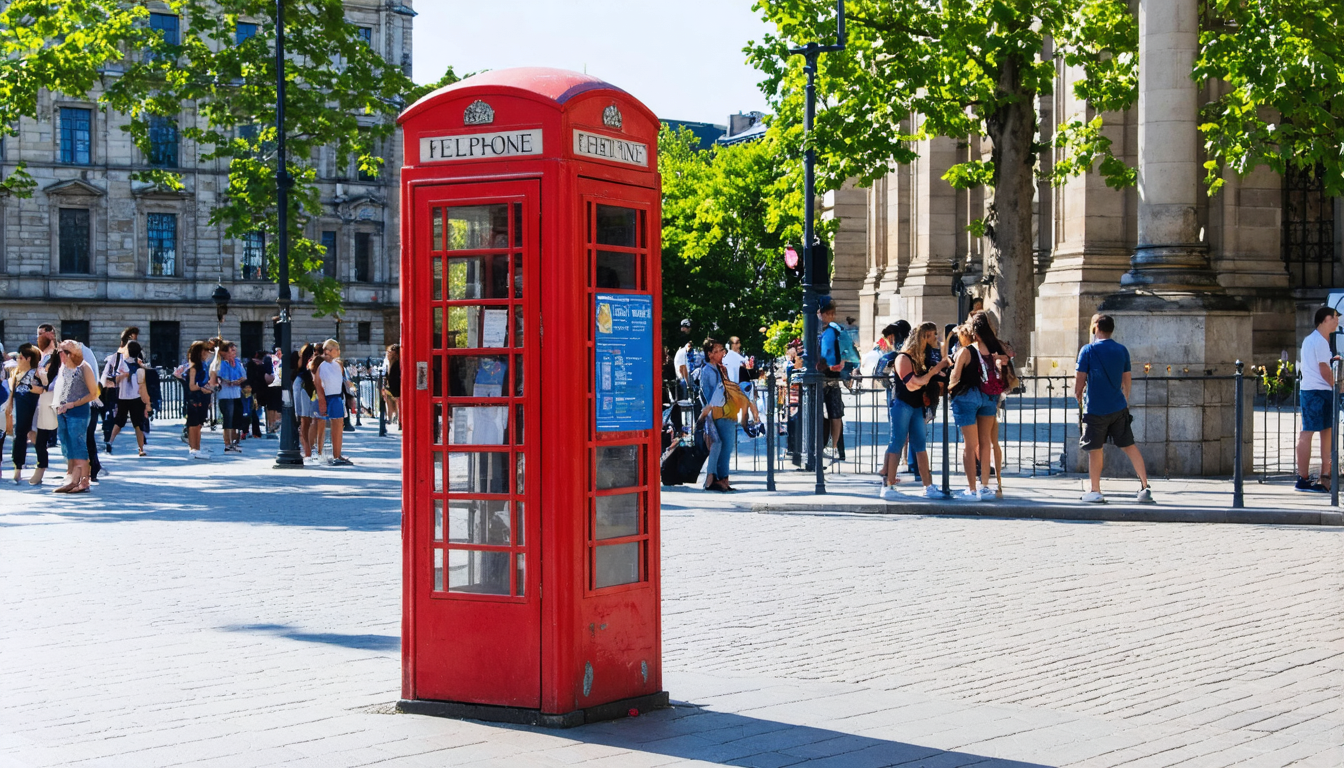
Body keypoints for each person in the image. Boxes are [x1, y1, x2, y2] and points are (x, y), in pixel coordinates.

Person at [1075, 313, 1153, 503]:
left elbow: (1079, 381)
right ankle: (1145, 486)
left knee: (1095, 449)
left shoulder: (1088, 350)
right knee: (1129, 446)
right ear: (1111, 330)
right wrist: (1124, 399)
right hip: (1118, 407)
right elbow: (1127, 379)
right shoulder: (1122, 350)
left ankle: (1095, 490)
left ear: (1097, 329)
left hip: (1095, 408)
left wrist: (1078, 396)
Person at [878, 322, 952, 500]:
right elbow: (912, 384)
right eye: (933, 334)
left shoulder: (924, 358)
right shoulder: (903, 358)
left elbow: (938, 377)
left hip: (917, 406)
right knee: (897, 442)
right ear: (923, 336)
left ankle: (928, 485)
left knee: (920, 445)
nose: (936, 338)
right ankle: (888, 486)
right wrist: (934, 371)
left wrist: (941, 370)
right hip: (902, 405)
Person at [1295, 306, 1340, 492]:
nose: (1337, 320)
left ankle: (1324, 475)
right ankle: (1304, 478)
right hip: (1318, 391)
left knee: (1323, 432)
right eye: (1335, 317)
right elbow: (1323, 371)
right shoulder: (1320, 341)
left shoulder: (1310, 339)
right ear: (1325, 319)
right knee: (1308, 433)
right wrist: (1338, 387)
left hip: (1312, 390)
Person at [948, 325, 995, 499]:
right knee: (985, 443)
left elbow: (955, 375)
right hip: (988, 397)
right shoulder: (988, 349)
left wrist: (949, 387)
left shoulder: (965, 352)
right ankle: (984, 486)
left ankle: (972, 488)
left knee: (969, 444)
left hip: (967, 396)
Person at [969, 312, 1013, 498]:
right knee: (992, 442)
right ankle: (997, 481)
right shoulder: (998, 345)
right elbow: (1010, 361)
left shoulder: (973, 348)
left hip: (980, 396)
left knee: (979, 442)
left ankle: (982, 479)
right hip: (995, 397)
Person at [51, 341, 100, 494]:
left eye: (61, 352)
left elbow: (94, 393)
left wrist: (73, 404)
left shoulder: (84, 367)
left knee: (78, 445)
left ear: (70, 353)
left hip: (78, 412)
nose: (59, 355)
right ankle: (73, 478)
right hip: (62, 411)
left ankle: (84, 480)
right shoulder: (64, 368)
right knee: (67, 445)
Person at [697, 338, 737, 492]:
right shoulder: (708, 370)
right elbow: (709, 395)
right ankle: (718, 479)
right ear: (710, 354)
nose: (722, 353)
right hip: (719, 412)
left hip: (724, 411)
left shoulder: (719, 368)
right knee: (723, 446)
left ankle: (721, 479)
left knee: (724, 446)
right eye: (719, 350)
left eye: (722, 350)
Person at [6, 344, 48, 485]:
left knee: (35, 437)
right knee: (19, 436)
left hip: (36, 409)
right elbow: (13, 392)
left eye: (21, 357)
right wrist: (9, 406)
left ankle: (41, 464)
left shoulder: (37, 372)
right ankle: (17, 470)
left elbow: (44, 389)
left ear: (28, 358)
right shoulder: (16, 372)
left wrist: (29, 387)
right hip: (21, 409)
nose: (18, 359)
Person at [108, 341, 152, 457]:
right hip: (136, 398)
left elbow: (114, 381)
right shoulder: (140, 368)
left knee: (119, 422)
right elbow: (142, 387)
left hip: (122, 397)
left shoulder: (121, 365)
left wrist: (122, 376)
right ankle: (140, 449)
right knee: (138, 424)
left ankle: (110, 441)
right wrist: (147, 403)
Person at [315, 339, 353, 465]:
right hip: (329, 397)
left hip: (336, 397)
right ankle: (329, 454)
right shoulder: (321, 365)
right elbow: (318, 384)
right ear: (329, 350)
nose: (338, 352)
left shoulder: (338, 365)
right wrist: (322, 401)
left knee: (338, 426)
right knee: (330, 427)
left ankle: (337, 454)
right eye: (336, 349)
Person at [818, 297, 846, 461]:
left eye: (831, 314)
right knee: (823, 414)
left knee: (835, 414)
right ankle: (826, 446)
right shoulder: (818, 331)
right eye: (827, 313)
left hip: (830, 378)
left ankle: (833, 446)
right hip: (822, 377)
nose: (830, 316)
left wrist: (842, 363)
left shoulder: (834, 332)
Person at [211, 342, 246, 453]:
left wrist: (238, 381)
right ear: (224, 352)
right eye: (232, 350)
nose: (234, 353)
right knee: (228, 420)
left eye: (235, 350)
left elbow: (243, 376)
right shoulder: (220, 364)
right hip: (225, 395)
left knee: (237, 419)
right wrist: (229, 381)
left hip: (236, 394)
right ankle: (227, 444)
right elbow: (219, 377)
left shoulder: (237, 363)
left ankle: (235, 442)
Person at [184, 341, 215, 460]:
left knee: (199, 424)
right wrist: (202, 388)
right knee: (193, 425)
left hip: (204, 397)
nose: (208, 353)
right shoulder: (193, 367)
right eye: (206, 350)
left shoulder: (204, 365)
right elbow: (192, 386)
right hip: (195, 397)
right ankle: (193, 449)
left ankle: (197, 448)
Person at [293, 344, 318, 458]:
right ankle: (309, 450)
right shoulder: (310, 372)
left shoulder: (302, 377)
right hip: (310, 398)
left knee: (304, 423)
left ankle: (307, 451)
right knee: (308, 423)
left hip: (304, 396)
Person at [245, 348, 273, 439]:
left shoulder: (249, 365)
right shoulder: (262, 366)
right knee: (255, 411)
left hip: (251, 390)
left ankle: (248, 431)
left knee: (251, 411)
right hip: (261, 390)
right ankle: (256, 431)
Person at [381, 344, 401, 428]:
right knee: (390, 402)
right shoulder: (390, 364)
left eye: (390, 353)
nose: (389, 355)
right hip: (393, 388)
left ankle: (395, 418)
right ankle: (393, 418)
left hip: (397, 388)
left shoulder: (396, 364)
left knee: (395, 403)